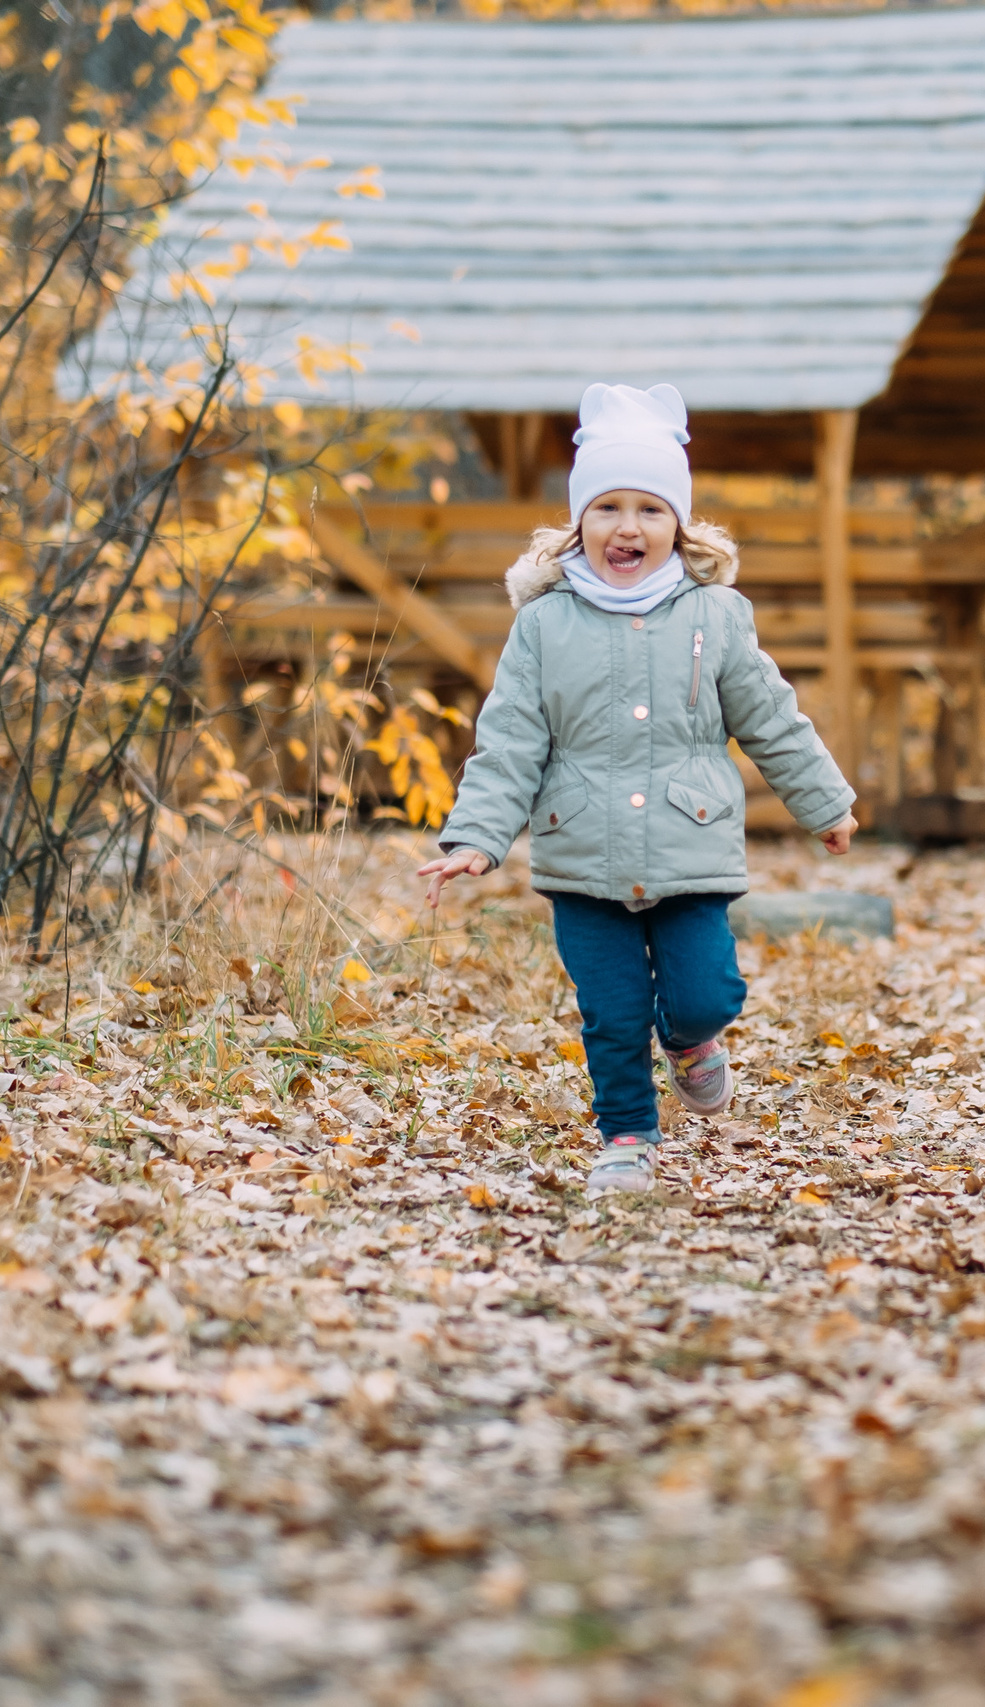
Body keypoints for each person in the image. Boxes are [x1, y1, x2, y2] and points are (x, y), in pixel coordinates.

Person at [418, 383, 859, 1197]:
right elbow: (511, 739)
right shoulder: (544, 625)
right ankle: (625, 1135)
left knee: (705, 993)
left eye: (651, 509)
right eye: (609, 506)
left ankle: (690, 1041)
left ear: (679, 527)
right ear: (578, 523)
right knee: (611, 1013)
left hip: (691, 845)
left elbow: (770, 715)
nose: (629, 526)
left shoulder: (716, 615)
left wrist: (823, 802)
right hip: (581, 851)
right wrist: (474, 839)